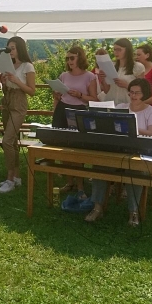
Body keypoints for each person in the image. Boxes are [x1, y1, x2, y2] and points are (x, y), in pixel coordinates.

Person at [86, 78, 152, 225]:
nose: (133, 96)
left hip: (140, 153)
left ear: (145, 94)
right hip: (117, 151)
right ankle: (97, 207)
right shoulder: (121, 107)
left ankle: (133, 212)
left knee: (135, 170)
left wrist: (131, 127)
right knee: (100, 166)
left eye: (137, 93)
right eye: (131, 92)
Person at [51, 46, 97, 194]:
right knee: (63, 146)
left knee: (77, 148)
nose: (69, 61)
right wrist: (56, 95)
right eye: (67, 58)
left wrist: (80, 95)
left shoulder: (90, 76)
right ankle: (69, 182)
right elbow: (57, 94)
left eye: (72, 58)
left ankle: (80, 185)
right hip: (62, 109)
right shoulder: (64, 75)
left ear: (80, 58)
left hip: (79, 111)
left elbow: (94, 99)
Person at [0, 36, 35, 193]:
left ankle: (10, 179)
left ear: (20, 48)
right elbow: (6, 86)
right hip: (7, 99)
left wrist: (16, 80)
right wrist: (3, 81)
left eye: (12, 48)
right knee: (12, 142)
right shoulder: (9, 65)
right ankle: (17, 176)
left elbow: (32, 91)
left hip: (19, 101)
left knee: (6, 141)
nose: (10, 51)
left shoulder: (28, 66)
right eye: (8, 48)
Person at [98, 38, 144, 105]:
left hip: (128, 104)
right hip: (111, 103)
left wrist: (127, 86)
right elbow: (107, 91)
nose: (116, 52)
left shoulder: (137, 67)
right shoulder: (111, 66)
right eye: (114, 49)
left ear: (127, 50)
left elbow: (142, 91)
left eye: (119, 49)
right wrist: (103, 80)